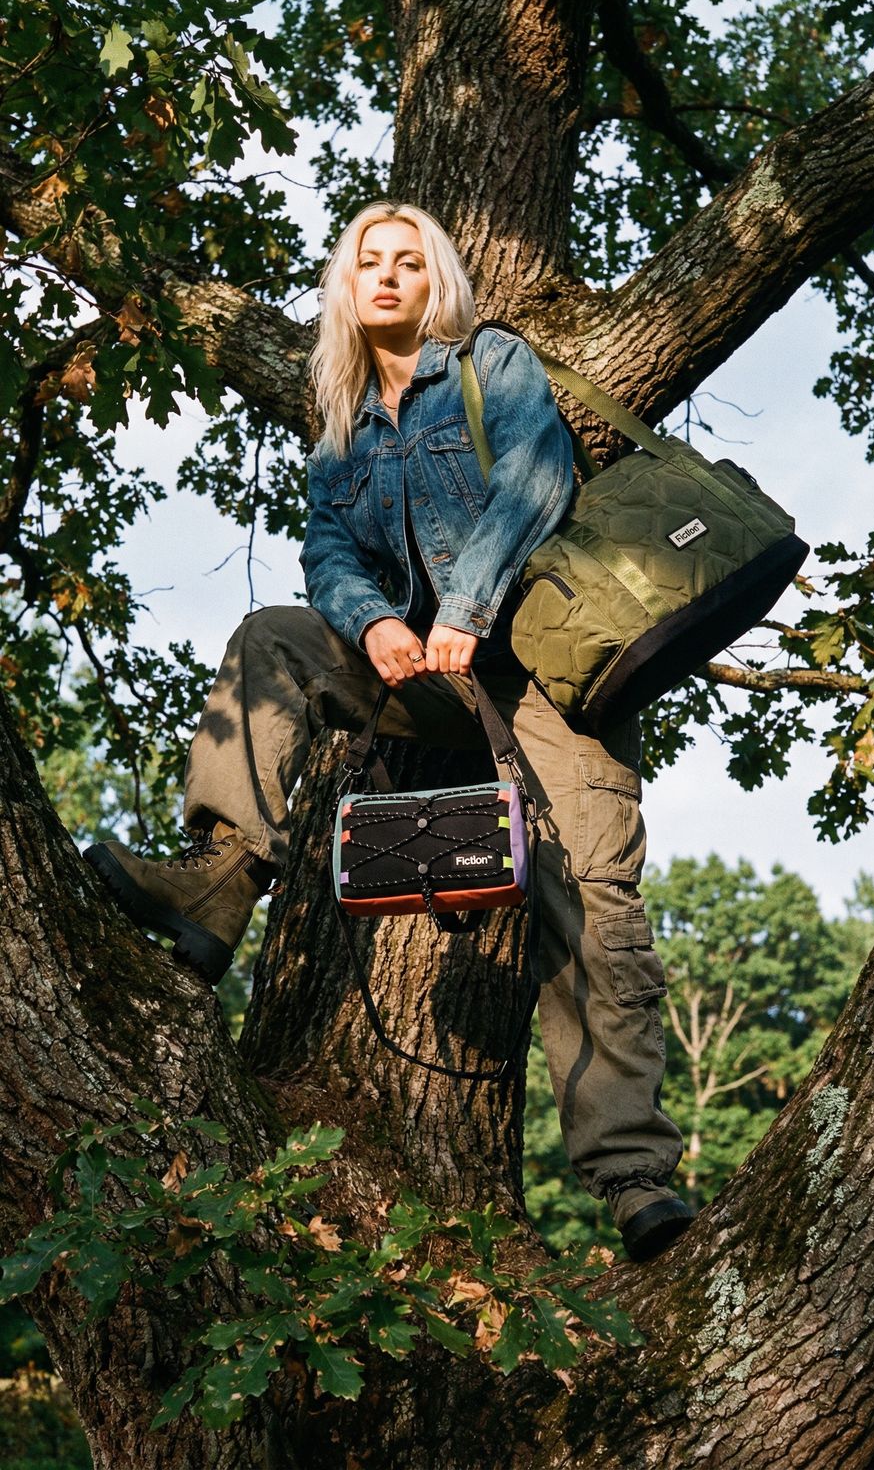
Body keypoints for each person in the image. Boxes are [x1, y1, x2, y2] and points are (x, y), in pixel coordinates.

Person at [86, 201, 692, 1261]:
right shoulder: (342, 418)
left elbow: (536, 476)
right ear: (346, 284)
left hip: (551, 675)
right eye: (369, 260)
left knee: (592, 901)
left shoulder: (491, 362)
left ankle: (632, 1173)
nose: (387, 275)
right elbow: (327, 548)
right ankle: (220, 880)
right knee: (272, 638)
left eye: (409, 261)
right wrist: (371, 624)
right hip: (427, 680)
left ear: (434, 282)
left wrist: (462, 610)